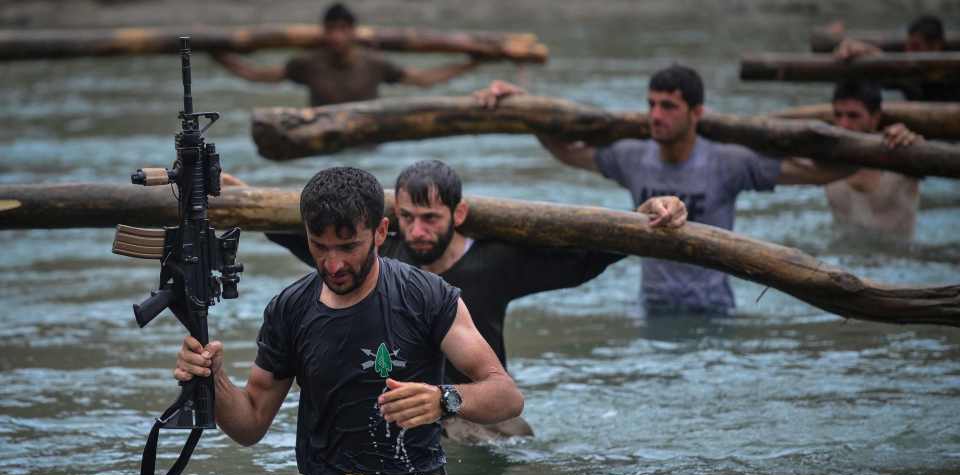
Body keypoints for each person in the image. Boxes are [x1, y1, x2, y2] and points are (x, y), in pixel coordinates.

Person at [174, 166, 523, 475]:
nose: (333, 264)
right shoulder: (289, 309)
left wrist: (443, 399)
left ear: (380, 232)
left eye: (348, 247)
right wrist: (213, 378)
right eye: (319, 247)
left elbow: (506, 395)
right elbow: (250, 424)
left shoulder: (428, 297)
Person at [265, 161, 688, 442]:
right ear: (387, 225)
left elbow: (583, 259)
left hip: (474, 409)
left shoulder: (494, 263)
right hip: (396, 416)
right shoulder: (374, 256)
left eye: (431, 219)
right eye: (408, 218)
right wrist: (232, 191)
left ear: (459, 215)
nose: (417, 232)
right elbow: (309, 236)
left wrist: (644, 215)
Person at [477, 66, 853, 315]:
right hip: (653, 308)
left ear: (697, 113)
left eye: (669, 106)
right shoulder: (632, 157)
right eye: (652, 104)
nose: (656, 115)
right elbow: (568, 152)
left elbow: (812, 174)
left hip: (714, 312)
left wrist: (882, 143)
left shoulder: (729, 162)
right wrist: (525, 106)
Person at [210, 3, 487, 107]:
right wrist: (218, 55)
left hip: (366, 142)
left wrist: (472, 63)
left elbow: (424, 79)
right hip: (317, 140)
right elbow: (257, 75)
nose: (337, 37)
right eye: (331, 30)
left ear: (353, 32)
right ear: (324, 32)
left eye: (343, 29)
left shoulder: (374, 63)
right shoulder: (309, 64)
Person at [826, 79, 922, 241]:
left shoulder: (902, 152)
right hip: (839, 261)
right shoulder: (825, 156)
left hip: (898, 262)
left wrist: (913, 143)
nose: (843, 124)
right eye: (838, 115)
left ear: (876, 117)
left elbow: (928, 155)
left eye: (853, 116)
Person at [834, 15, 959, 102]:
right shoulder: (912, 77)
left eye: (916, 47)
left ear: (936, 46)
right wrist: (867, 52)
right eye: (908, 46)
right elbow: (888, 76)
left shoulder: (954, 78)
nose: (908, 52)